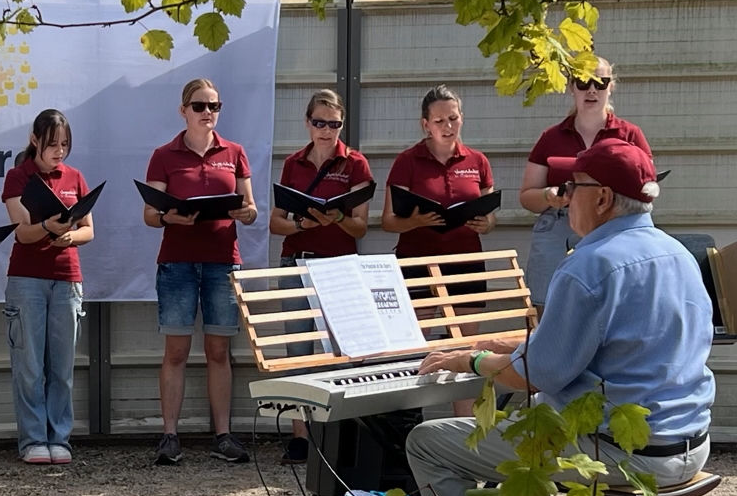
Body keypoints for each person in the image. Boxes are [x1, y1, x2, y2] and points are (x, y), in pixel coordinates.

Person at [406, 139, 714, 496]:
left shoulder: (589, 264)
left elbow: (537, 374)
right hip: (689, 445)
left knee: (426, 442)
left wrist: (471, 359)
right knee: (532, 426)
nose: (564, 197)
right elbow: (605, 339)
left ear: (603, 197)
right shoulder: (680, 255)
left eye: (571, 187)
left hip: (623, 454)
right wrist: (501, 340)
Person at [142, 78, 258, 466]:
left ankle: (222, 435)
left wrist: (246, 212)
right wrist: (168, 215)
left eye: (214, 106)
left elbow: (252, 207)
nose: (208, 113)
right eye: (199, 106)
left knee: (219, 351)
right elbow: (149, 215)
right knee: (175, 351)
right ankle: (169, 436)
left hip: (223, 260)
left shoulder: (235, 152)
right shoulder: (164, 155)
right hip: (177, 261)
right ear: (183, 111)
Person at [267, 89, 372, 464]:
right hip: (298, 261)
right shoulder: (294, 164)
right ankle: (300, 436)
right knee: (298, 352)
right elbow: (275, 223)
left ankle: (336, 433)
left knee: (340, 351)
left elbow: (361, 227)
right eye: (319, 123)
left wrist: (339, 218)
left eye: (334, 124)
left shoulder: (356, 164)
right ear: (307, 123)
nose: (327, 131)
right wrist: (301, 222)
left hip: (339, 265)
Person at [381, 85, 496, 418]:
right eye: (440, 120)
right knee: (416, 344)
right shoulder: (407, 161)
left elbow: (490, 216)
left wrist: (485, 224)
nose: (448, 126)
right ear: (425, 125)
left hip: (465, 261)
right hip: (418, 260)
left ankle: (464, 426)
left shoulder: (478, 161)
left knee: (466, 346)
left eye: (454, 118)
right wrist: (415, 220)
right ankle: (409, 422)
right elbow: (388, 221)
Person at [519, 58, 651, 311]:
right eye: (583, 82)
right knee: (547, 306)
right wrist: (549, 196)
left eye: (600, 83)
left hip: (613, 225)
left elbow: (648, 188)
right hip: (560, 221)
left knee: (611, 304)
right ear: (571, 87)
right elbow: (526, 196)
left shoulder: (630, 134)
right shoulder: (551, 137)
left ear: (610, 87)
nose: (592, 90)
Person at [1, 109, 94, 465]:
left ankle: (60, 439)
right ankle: (32, 440)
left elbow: (89, 229)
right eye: (52, 144)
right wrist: (48, 227)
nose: (59, 152)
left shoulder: (75, 176)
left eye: (65, 144)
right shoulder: (17, 177)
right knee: (29, 364)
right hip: (26, 279)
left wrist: (70, 235)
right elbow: (22, 232)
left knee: (62, 366)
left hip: (67, 278)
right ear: (34, 140)